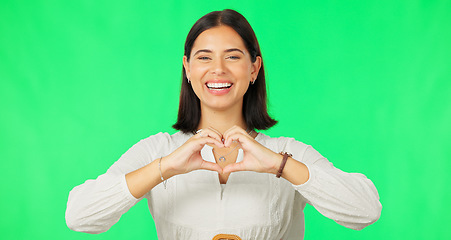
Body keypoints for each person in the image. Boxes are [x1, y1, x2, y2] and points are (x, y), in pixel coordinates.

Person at [65, 9, 381, 239]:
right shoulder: (158, 150)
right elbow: (80, 216)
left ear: (254, 68)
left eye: (232, 57)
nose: (218, 70)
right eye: (204, 57)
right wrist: (165, 167)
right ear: (187, 68)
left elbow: (365, 211)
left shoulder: (286, 152)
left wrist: (279, 166)